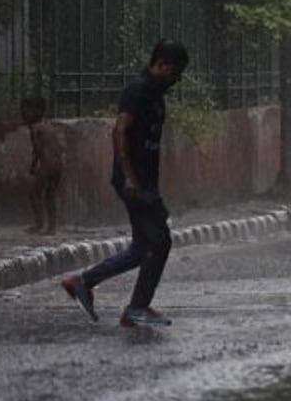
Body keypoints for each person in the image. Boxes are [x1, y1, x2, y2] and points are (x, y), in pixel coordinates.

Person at [61, 39, 189, 327]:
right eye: (175, 72)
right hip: (134, 182)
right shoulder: (138, 89)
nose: (177, 80)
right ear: (162, 64)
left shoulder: (155, 93)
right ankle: (136, 308)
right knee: (160, 242)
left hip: (146, 182)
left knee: (143, 246)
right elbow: (119, 131)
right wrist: (130, 177)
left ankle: (82, 282)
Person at [22, 95, 64, 236]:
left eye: (25, 110)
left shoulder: (35, 128)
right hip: (58, 164)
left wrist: (33, 166)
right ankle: (52, 227)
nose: (23, 114)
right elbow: (59, 147)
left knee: (34, 194)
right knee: (50, 195)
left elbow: (37, 150)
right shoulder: (49, 126)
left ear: (34, 112)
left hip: (47, 164)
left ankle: (39, 224)